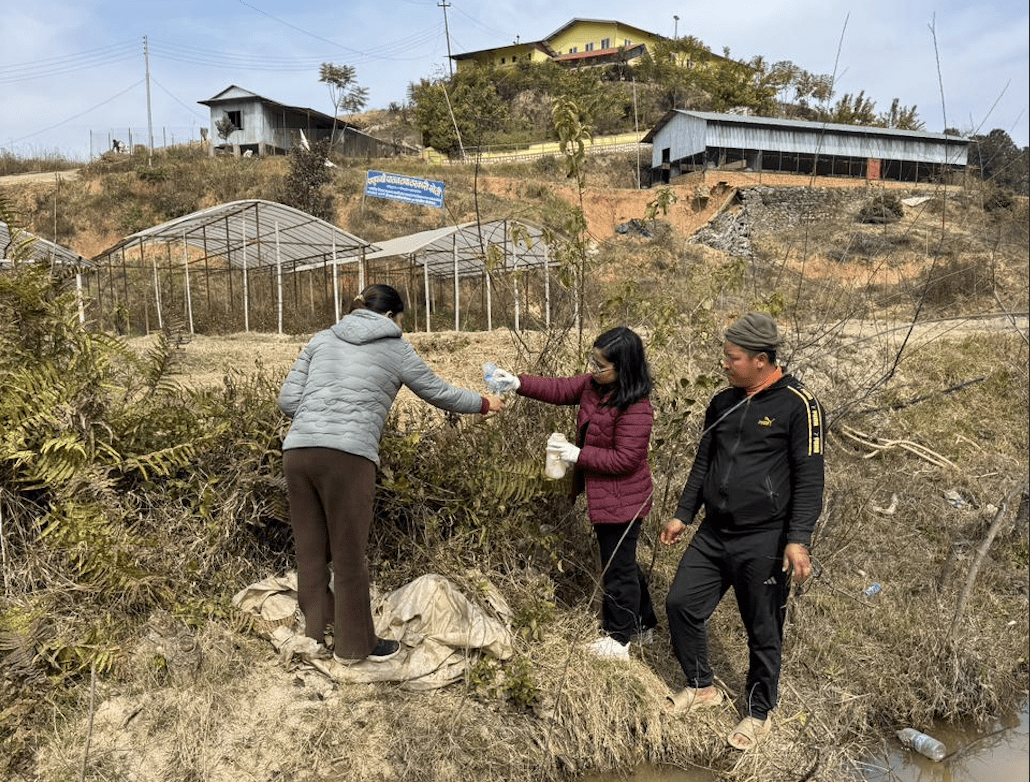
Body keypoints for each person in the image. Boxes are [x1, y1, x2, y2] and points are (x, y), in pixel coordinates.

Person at [277, 284, 504, 664]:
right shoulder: (394, 347)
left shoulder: (321, 339)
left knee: (311, 552)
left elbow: (287, 402)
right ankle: (353, 649)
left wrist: (321, 411)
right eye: (401, 320)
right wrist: (484, 403)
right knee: (350, 557)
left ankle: (314, 636)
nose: (402, 326)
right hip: (348, 458)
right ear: (389, 317)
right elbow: (438, 392)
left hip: (298, 451)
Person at [660, 311, 823, 750]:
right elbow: (703, 464)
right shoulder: (722, 402)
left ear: (762, 360)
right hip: (714, 533)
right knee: (681, 604)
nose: (724, 365)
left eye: (732, 358)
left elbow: (810, 479)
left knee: (763, 628)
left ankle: (758, 712)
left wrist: (797, 540)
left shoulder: (799, 405)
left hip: (765, 539)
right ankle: (701, 687)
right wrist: (683, 513)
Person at [492, 327, 658, 661]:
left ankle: (618, 639)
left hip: (624, 499)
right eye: (593, 362)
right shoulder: (594, 386)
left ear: (624, 367)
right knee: (623, 562)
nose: (594, 370)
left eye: (602, 365)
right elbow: (559, 388)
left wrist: (576, 454)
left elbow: (626, 460)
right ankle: (643, 625)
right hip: (606, 495)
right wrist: (519, 383)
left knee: (617, 567)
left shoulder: (637, 408)